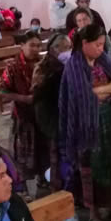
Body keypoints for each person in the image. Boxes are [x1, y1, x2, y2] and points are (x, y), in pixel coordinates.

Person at [59, 24, 111, 221]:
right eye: (97, 45)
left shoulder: (103, 60)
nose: (101, 49)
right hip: (86, 125)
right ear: (84, 43)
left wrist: (98, 91)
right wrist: (103, 91)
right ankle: (94, 214)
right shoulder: (74, 65)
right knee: (91, 168)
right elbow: (82, 96)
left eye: (103, 44)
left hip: (109, 118)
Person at [0, 31, 44, 192]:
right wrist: (24, 98)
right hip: (23, 116)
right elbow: (3, 92)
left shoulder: (44, 64)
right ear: (22, 46)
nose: (36, 49)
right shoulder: (12, 67)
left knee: (43, 149)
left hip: (41, 115)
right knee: (22, 154)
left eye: (38, 46)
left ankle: (43, 180)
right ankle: (22, 187)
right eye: (32, 45)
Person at [32, 34, 72, 192]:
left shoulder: (69, 64)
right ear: (53, 49)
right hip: (50, 114)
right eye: (62, 48)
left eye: (69, 47)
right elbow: (39, 94)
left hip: (66, 113)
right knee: (57, 152)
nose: (66, 51)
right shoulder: (44, 67)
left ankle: (70, 184)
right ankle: (59, 185)